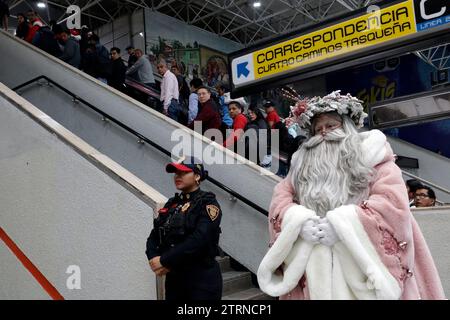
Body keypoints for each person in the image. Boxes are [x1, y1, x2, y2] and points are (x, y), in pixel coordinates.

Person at [257, 90, 445, 300]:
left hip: (362, 270)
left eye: (331, 126)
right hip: (314, 268)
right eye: (318, 129)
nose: (324, 133)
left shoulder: (374, 157)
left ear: (345, 127)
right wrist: (298, 223)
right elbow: (280, 199)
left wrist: (344, 225)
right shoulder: (301, 166)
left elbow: (391, 203)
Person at [145, 157, 223, 300]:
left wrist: (165, 260)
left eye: (183, 172)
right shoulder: (172, 204)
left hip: (201, 281)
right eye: (176, 173)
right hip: (175, 280)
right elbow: (154, 235)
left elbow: (200, 239)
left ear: (197, 176)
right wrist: (152, 257)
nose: (177, 176)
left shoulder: (207, 202)